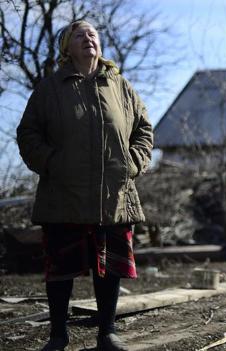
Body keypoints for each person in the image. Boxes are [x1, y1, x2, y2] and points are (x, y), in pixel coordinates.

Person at [16, 20, 153, 351]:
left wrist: (132, 164)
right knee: (60, 269)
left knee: (109, 269)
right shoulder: (51, 88)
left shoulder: (121, 86)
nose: (88, 38)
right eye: (79, 34)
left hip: (114, 196)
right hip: (64, 194)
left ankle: (107, 332)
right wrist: (51, 163)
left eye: (93, 34)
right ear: (67, 47)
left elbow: (144, 130)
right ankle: (58, 336)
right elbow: (28, 133)